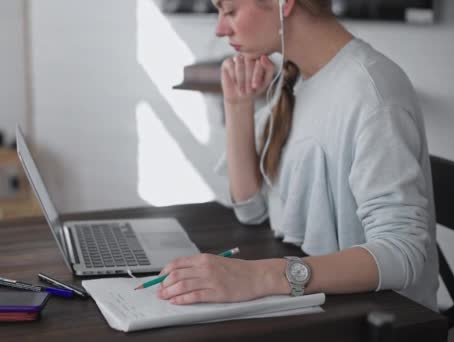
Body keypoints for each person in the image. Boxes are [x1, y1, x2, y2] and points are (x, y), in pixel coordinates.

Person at [157, 0, 438, 311]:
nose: (220, 28)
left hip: (382, 317)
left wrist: (259, 276)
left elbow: (402, 253)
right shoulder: (296, 80)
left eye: (231, 10)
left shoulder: (372, 92)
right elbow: (251, 210)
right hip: (326, 306)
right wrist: (238, 107)